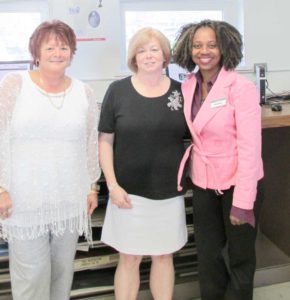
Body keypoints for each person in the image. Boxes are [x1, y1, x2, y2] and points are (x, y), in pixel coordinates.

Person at [0, 20, 101, 300]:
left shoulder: (84, 92)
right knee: (32, 275)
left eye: (64, 46)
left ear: (72, 52)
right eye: (50, 46)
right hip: (23, 200)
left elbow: (90, 142)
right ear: (36, 52)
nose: (57, 52)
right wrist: (0, 188)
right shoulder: (14, 85)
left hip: (69, 198)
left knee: (61, 273)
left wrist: (92, 186)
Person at [174, 20, 264, 300]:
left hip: (238, 184)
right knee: (208, 256)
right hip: (203, 184)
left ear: (225, 48)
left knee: (239, 257)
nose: (205, 51)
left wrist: (243, 203)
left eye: (212, 44)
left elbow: (250, 149)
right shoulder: (188, 86)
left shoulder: (241, 87)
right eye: (198, 45)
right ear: (189, 49)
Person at [98, 27, 188, 300]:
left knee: (163, 256)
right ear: (133, 57)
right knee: (129, 258)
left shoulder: (182, 91)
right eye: (141, 50)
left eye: (154, 49)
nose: (148, 55)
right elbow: (105, 141)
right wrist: (112, 185)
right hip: (128, 194)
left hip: (168, 193)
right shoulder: (117, 91)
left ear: (165, 56)